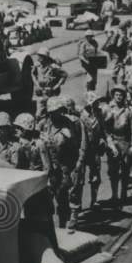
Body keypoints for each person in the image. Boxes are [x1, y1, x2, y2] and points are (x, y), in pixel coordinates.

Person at [43, 96, 87, 231]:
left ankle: (73, 219)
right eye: (51, 112)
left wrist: (80, 162)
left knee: (73, 192)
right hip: (55, 166)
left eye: (57, 111)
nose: (54, 114)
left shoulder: (74, 123)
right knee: (60, 196)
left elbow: (83, 144)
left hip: (71, 163)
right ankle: (62, 223)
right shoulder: (45, 124)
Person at [103, 84, 132, 207]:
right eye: (116, 95)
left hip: (125, 141)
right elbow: (106, 129)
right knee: (113, 171)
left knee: (125, 170)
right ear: (113, 95)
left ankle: (123, 194)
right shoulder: (108, 109)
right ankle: (114, 195)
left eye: (121, 95)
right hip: (113, 142)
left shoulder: (130, 110)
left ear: (124, 96)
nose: (118, 97)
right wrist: (110, 144)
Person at [79, 92, 107, 209]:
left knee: (95, 176)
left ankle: (94, 200)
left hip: (94, 149)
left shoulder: (98, 114)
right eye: (94, 102)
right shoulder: (80, 115)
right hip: (82, 149)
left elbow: (102, 130)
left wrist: (102, 139)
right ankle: (78, 203)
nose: (97, 104)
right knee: (79, 178)